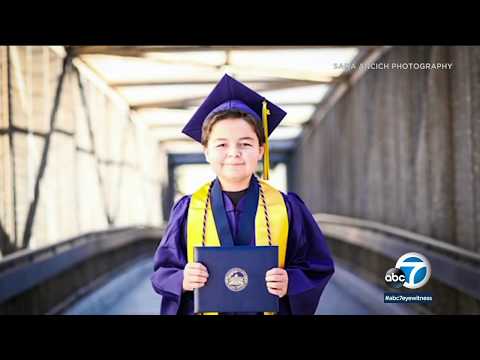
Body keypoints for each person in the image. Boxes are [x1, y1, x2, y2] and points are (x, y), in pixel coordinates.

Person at [151, 74, 334, 315]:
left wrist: (291, 281)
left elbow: (317, 266)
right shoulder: (188, 209)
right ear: (206, 151)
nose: (234, 153)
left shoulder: (288, 208)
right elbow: (162, 272)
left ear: (260, 150)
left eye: (245, 144)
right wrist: (182, 280)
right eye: (221, 144)